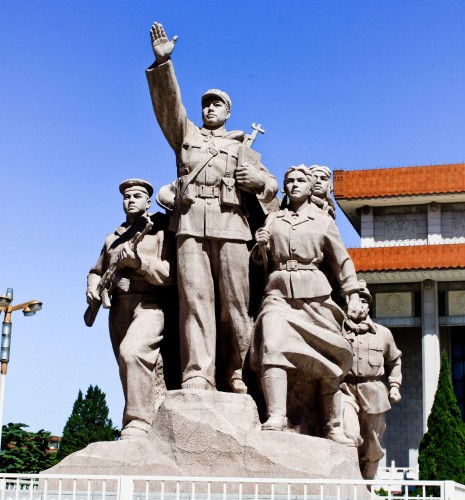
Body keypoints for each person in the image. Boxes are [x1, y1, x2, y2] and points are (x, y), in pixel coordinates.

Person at [145, 22, 278, 393]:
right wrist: (163, 66)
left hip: (233, 226)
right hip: (189, 225)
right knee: (195, 303)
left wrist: (258, 183)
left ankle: (237, 371)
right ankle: (197, 373)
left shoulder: (242, 148)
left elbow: (272, 187)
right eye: (205, 103)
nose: (208, 108)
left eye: (216, 104)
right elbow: (169, 107)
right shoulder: (186, 136)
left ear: (228, 112)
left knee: (236, 305)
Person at [252, 165, 364, 444]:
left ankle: (332, 425)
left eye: (301, 180)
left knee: (332, 357)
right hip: (277, 292)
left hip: (315, 295)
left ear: (310, 184)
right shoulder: (273, 218)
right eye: (289, 181)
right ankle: (276, 414)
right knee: (271, 344)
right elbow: (258, 263)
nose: (294, 185)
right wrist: (260, 248)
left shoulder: (323, 221)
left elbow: (341, 261)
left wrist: (351, 294)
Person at [86, 179, 175, 440]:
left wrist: (139, 263)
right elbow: (95, 271)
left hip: (150, 304)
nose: (131, 200)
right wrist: (93, 288)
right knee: (125, 365)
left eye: (137, 196)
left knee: (132, 353)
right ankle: (141, 414)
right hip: (119, 308)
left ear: (148, 202)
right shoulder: (112, 238)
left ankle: (138, 422)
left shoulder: (158, 231)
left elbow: (172, 273)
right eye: (126, 197)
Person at [341, 280, 402, 479]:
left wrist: (394, 386)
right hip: (345, 390)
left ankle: (366, 485)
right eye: (356, 300)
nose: (360, 305)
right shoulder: (337, 330)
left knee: (372, 445)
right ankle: (348, 480)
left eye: (364, 301)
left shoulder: (383, 334)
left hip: (374, 392)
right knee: (348, 433)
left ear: (368, 306)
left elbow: (394, 360)